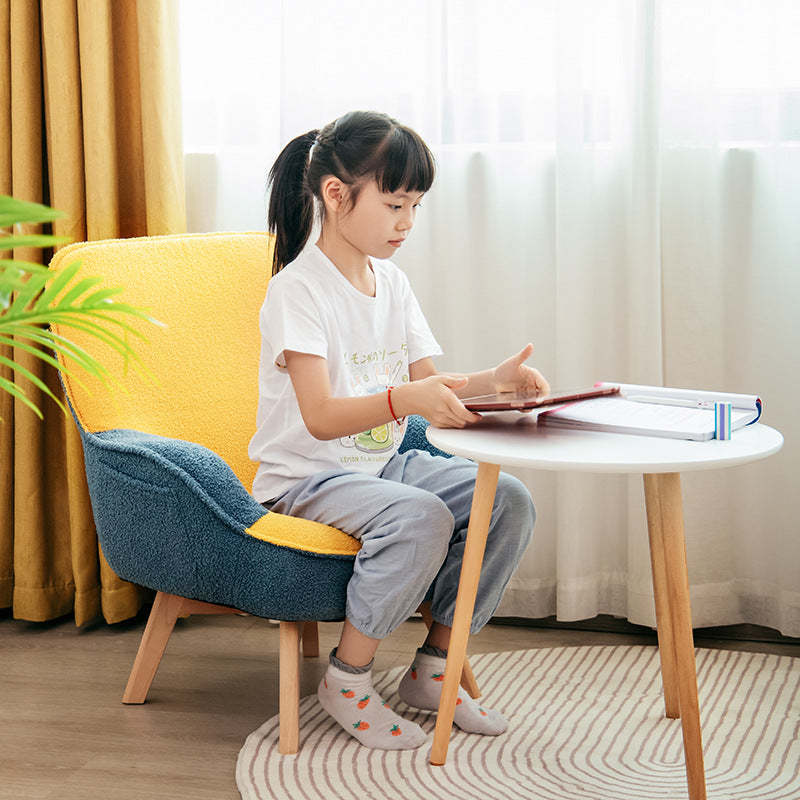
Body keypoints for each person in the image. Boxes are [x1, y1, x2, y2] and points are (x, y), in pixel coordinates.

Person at [248, 110, 550, 751]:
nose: (407, 222)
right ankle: (348, 679)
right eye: (394, 205)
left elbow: (428, 383)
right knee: (421, 517)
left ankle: (435, 667)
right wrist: (401, 400)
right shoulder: (297, 292)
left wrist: (495, 383)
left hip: (380, 466)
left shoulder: (392, 283)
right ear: (336, 195)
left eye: (415, 205)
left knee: (507, 500)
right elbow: (321, 416)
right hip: (305, 478)